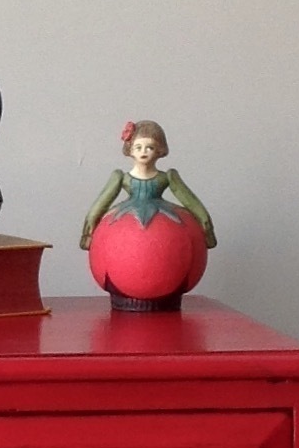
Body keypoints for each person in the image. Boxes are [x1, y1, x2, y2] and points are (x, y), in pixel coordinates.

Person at [81, 121, 216, 311]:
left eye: (150, 147)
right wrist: (88, 234)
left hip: (168, 219)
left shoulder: (169, 177)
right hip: (123, 217)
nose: (144, 151)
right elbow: (99, 206)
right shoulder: (120, 177)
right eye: (138, 147)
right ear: (130, 150)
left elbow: (192, 203)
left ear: (160, 150)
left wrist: (207, 230)